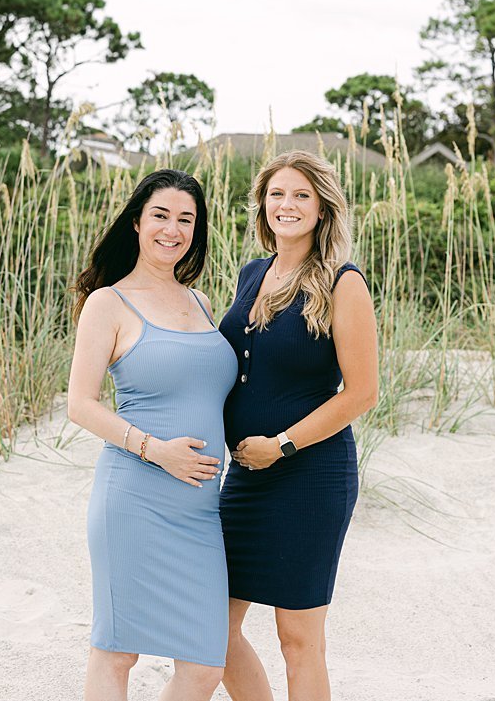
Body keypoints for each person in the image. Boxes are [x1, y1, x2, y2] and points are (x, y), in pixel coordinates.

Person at [65, 168, 235, 701]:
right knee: (118, 652)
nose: (172, 229)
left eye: (186, 219)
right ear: (137, 222)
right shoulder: (109, 303)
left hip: (202, 510)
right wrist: (156, 451)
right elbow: (79, 405)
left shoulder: (203, 302)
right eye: (160, 215)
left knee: (206, 663)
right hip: (134, 497)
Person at [219, 151, 378, 701]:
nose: (287, 205)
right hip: (244, 478)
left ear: (322, 208)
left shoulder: (343, 281)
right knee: (212, 626)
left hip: (310, 476)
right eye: (277, 194)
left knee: (298, 639)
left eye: (301, 195)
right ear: (263, 204)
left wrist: (281, 446)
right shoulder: (252, 273)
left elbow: (361, 393)